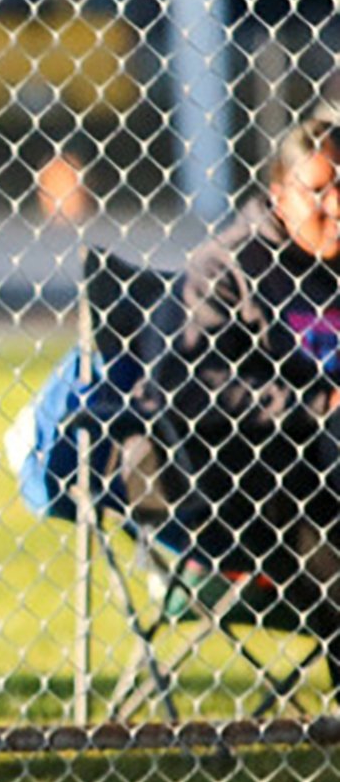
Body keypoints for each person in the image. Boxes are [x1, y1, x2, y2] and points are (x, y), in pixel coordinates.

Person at [140, 105, 340, 678]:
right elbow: (188, 385)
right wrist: (314, 406)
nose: (337, 206)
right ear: (279, 195)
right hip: (251, 479)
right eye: (318, 191)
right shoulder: (228, 267)